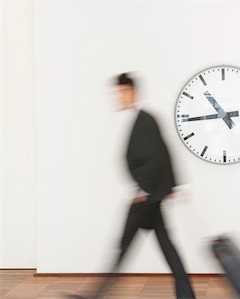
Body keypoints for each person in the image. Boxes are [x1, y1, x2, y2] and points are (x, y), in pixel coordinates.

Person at [69, 73, 196, 299]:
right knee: (165, 249)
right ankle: (187, 296)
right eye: (116, 93)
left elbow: (159, 156)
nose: (118, 97)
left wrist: (146, 191)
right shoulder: (140, 119)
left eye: (121, 92)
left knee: (123, 247)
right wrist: (167, 188)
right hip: (150, 197)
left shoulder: (145, 120)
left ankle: (94, 296)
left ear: (132, 92)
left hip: (146, 199)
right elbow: (163, 154)